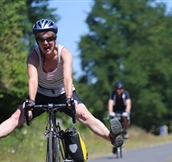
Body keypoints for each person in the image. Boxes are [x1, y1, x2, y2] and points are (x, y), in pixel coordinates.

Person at [0, 18, 123, 150]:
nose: (46, 42)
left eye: (50, 38)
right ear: (37, 41)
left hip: (63, 92)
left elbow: (68, 78)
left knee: (84, 115)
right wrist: (31, 101)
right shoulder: (33, 56)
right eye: (42, 39)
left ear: (55, 38)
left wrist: (69, 98)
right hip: (41, 94)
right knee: (18, 116)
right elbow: (33, 80)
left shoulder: (64, 54)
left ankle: (112, 138)